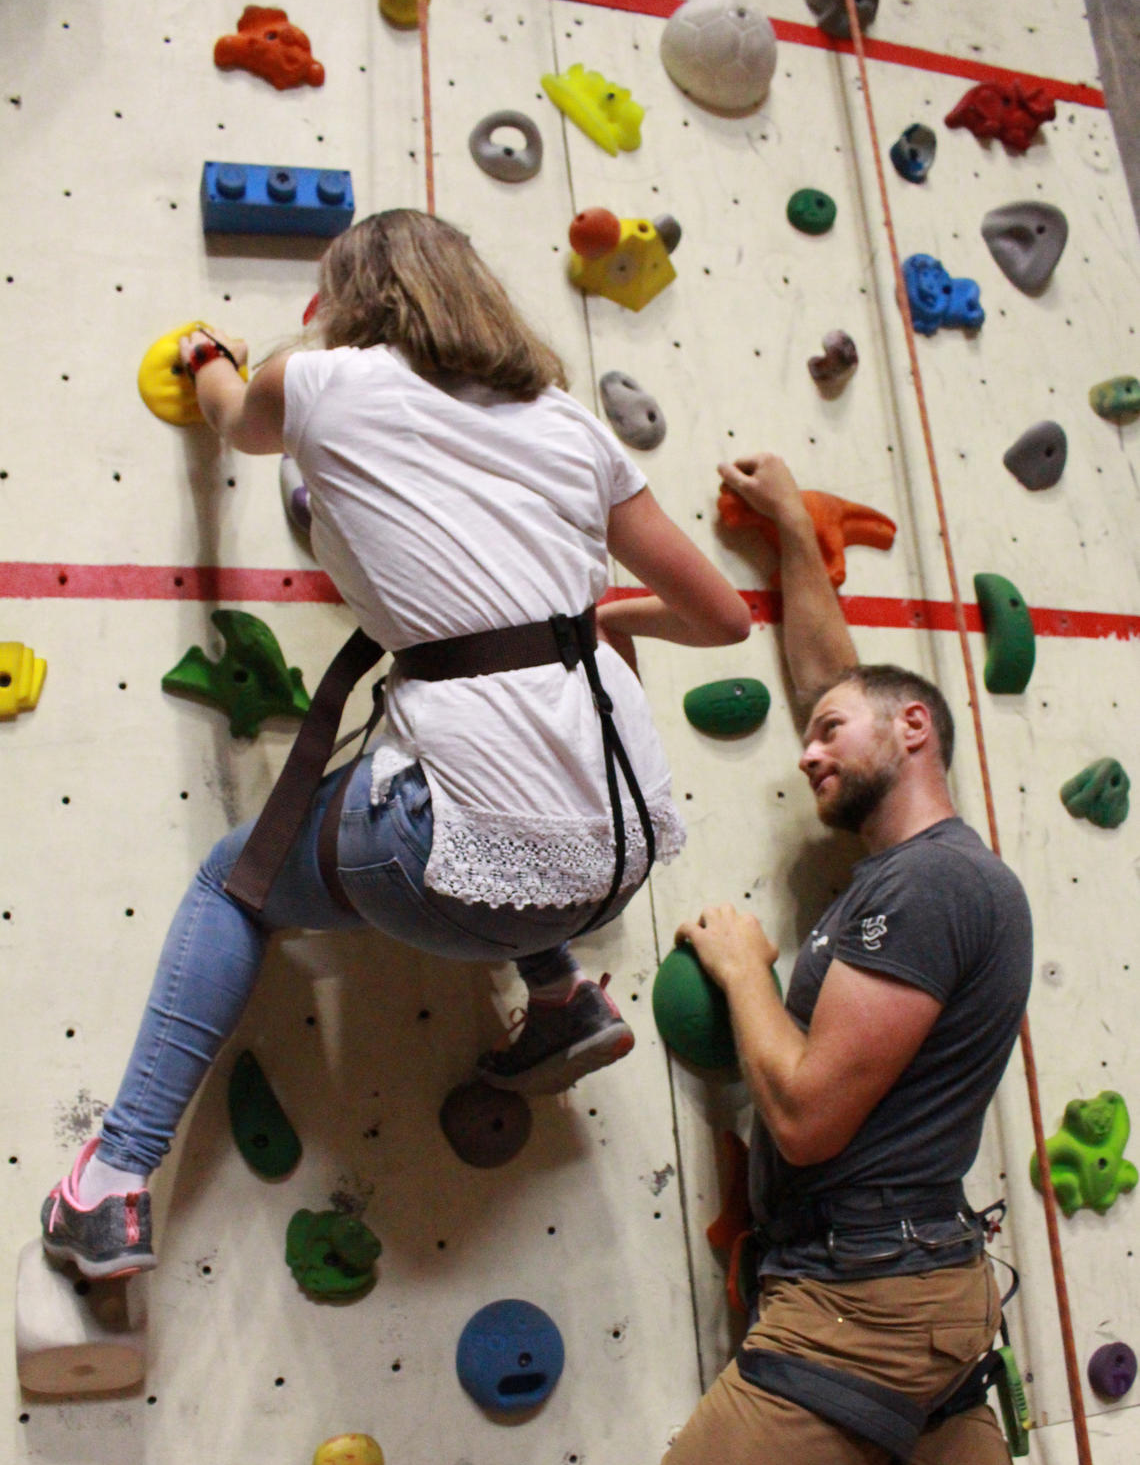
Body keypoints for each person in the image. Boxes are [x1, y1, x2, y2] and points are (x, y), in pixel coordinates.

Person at [40, 210, 751, 1281]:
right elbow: (722, 619)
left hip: (444, 863)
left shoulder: (325, 381)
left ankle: (114, 1181)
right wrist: (604, 622)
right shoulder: (571, 426)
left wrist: (201, 355)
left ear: (356, 298)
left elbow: (233, 417)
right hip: (622, 855)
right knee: (500, 797)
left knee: (233, 885)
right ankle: (561, 1002)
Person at [579, 453, 1081, 1465]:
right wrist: (797, 537)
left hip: (863, 1306)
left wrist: (747, 967)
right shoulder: (927, 872)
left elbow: (804, 1116)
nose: (806, 753)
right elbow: (834, 681)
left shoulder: (928, 886)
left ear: (916, 730)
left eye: (825, 737)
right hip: (917, 1284)